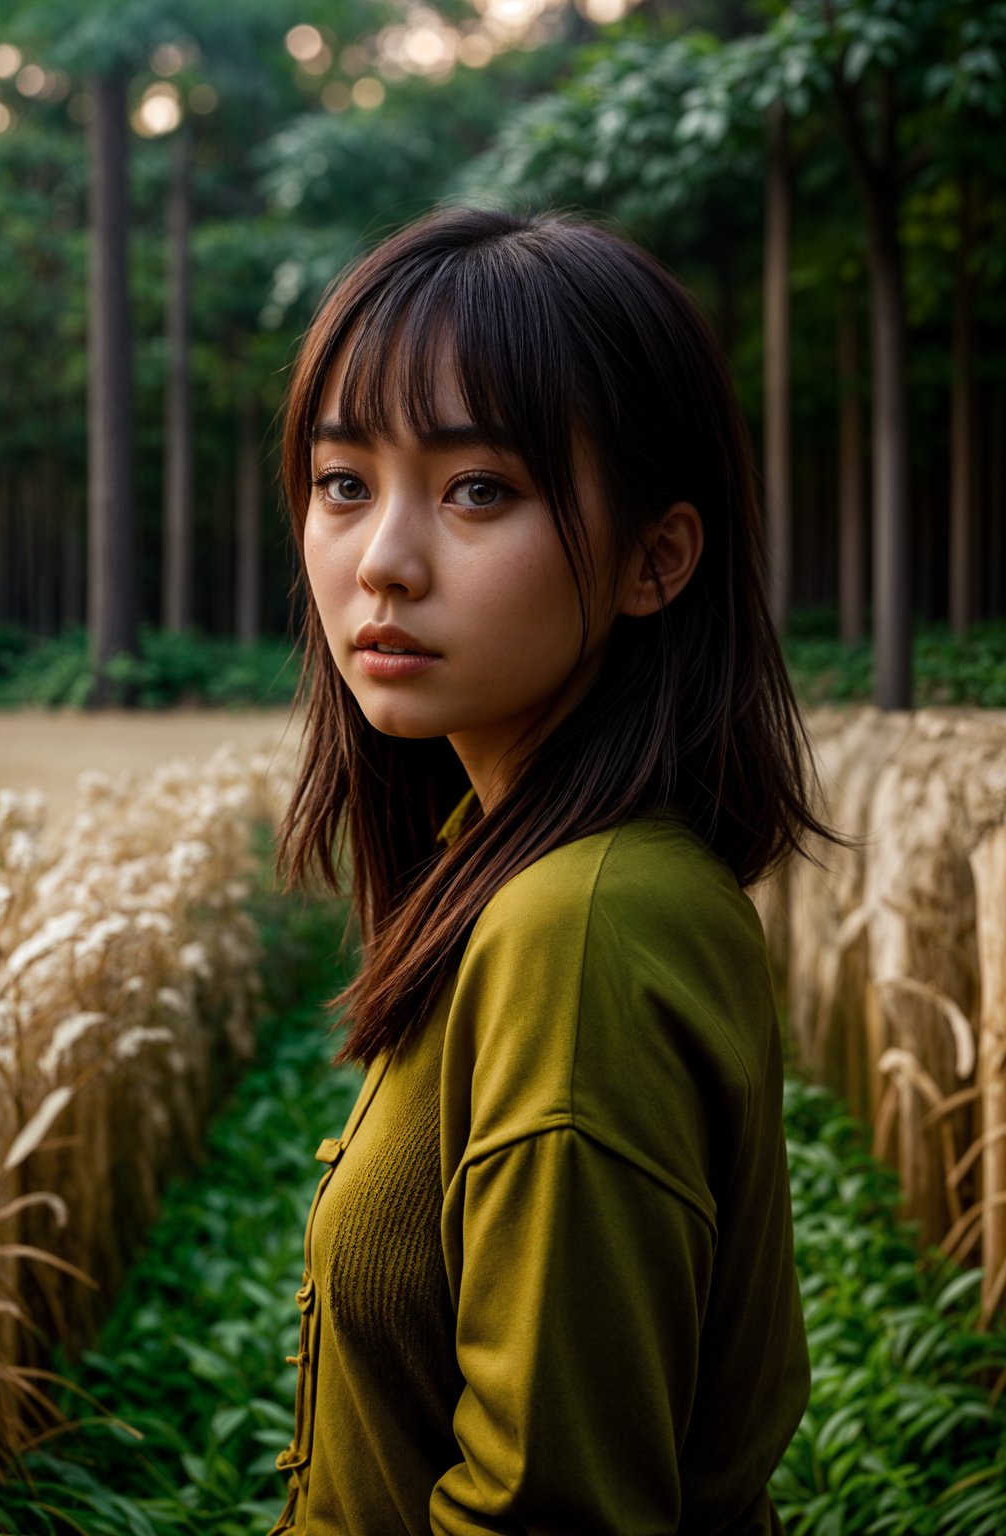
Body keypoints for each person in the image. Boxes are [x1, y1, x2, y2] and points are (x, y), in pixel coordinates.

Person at [267, 205, 853, 1536]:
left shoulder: (577, 930)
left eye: (479, 488)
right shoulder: (508, 864)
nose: (381, 564)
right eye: (344, 483)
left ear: (657, 558)